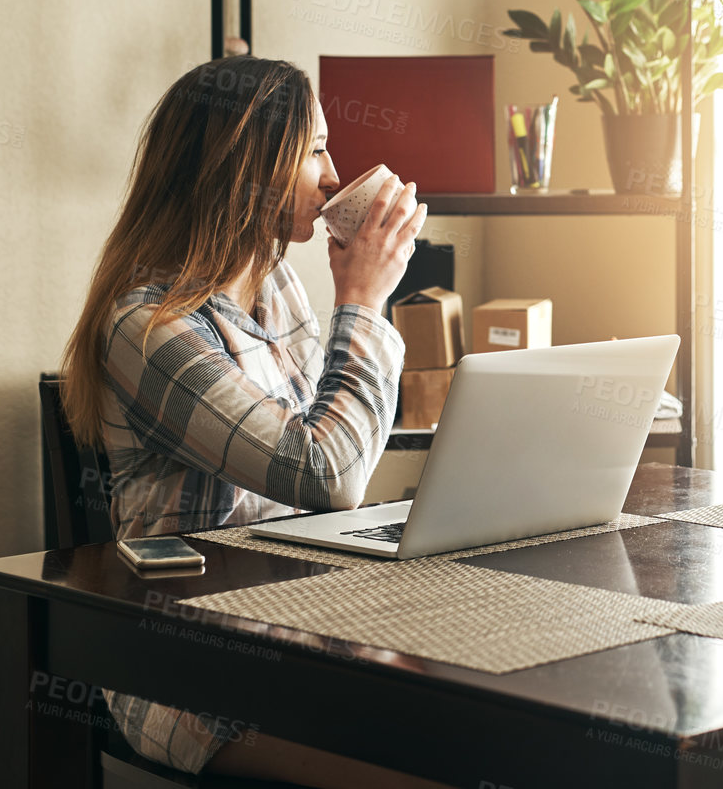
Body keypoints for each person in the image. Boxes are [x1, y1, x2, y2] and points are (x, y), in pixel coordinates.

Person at [58, 56, 447, 788]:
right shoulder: (150, 328)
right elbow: (327, 475)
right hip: (195, 673)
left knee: (482, 725)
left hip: (299, 625)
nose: (335, 175)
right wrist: (363, 301)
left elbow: (332, 455)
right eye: (316, 149)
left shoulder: (281, 287)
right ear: (245, 166)